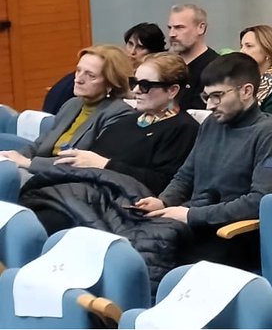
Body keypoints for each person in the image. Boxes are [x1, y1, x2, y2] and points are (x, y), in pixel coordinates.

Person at [135, 53, 272, 270]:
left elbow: (258, 201)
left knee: (152, 254)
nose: (209, 106)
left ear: (246, 91)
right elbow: (186, 174)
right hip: (195, 223)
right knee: (134, 239)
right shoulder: (212, 123)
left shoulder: (270, 132)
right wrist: (164, 201)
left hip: (231, 235)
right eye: (206, 97)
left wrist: (191, 215)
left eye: (217, 96)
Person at [18, 53, 201, 233]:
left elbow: (163, 182)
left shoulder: (183, 128)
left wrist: (105, 164)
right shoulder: (128, 120)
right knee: (26, 212)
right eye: (134, 83)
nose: (135, 90)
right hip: (88, 191)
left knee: (41, 223)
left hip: (122, 203)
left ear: (172, 91)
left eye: (145, 86)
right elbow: (90, 162)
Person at [2, 45, 134, 171]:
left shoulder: (119, 114)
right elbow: (40, 144)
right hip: (41, 171)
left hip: (71, 181)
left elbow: (82, 162)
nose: (78, 79)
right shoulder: (72, 104)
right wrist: (11, 158)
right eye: (78, 70)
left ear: (111, 83)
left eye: (90, 75)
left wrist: (29, 163)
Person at [43, 23, 166, 115]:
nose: (132, 52)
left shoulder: (154, 77)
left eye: (140, 47)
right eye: (130, 44)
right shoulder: (71, 98)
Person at [167, 4, 220, 111]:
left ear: (201, 28)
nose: (172, 34)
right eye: (170, 28)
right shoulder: (166, 65)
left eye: (179, 27)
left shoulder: (216, 68)